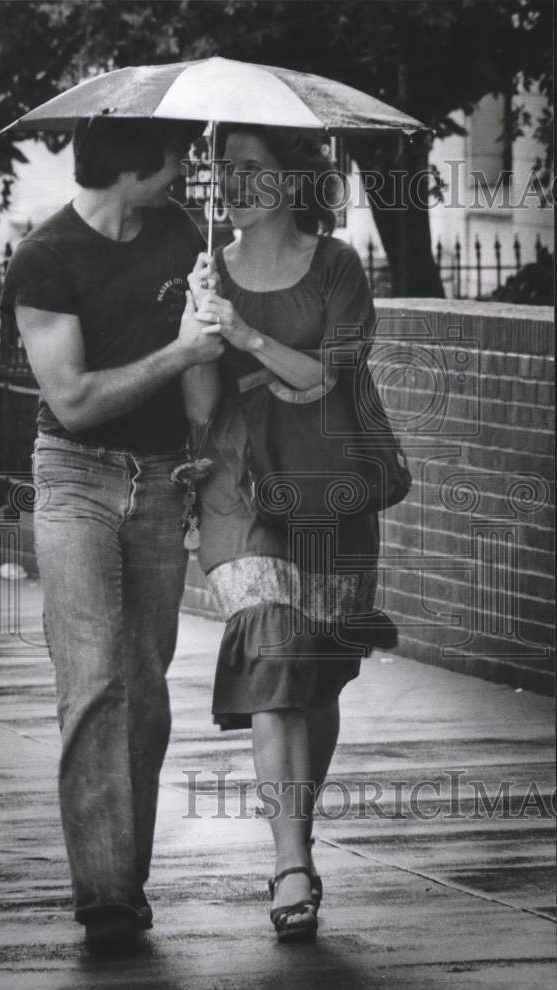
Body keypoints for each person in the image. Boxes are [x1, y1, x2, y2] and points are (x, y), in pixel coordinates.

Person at [0, 116, 224, 955]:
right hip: (75, 479)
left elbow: (200, 380)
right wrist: (180, 350)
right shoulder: (45, 259)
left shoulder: (180, 235)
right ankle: (105, 898)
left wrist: (207, 332)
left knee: (145, 685)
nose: (185, 171)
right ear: (139, 164)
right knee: (92, 680)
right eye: (176, 158)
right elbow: (76, 402)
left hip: (164, 478)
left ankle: (124, 878)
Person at [185, 124, 396, 943]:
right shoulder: (205, 273)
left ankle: (296, 841)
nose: (227, 181)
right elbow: (202, 411)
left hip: (329, 485)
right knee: (273, 644)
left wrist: (243, 334)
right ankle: (288, 862)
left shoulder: (339, 268)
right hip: (240, 486)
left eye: (246, 167)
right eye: (218, 167)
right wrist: (201, 329)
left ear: (288, 177)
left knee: (316, 676)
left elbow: (329, 375)